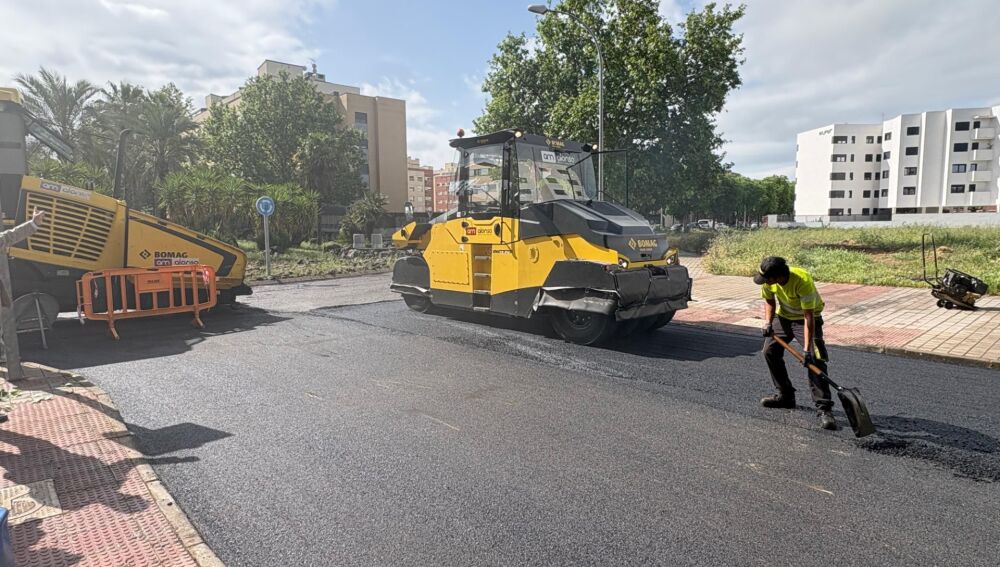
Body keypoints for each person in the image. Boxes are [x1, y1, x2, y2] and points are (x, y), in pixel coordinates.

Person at [754, 256, 837, 431]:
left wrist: (806, 350)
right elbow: (769, 300)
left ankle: (824, 408)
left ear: (778, 276)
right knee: (769, 351)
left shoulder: (802, 280)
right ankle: (785, 396)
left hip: (807, 319)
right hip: (784, 317)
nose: (765, 282)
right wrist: (768, 322)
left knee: (815, 358)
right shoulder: (769, 281)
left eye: (767, 279)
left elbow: (808, 316)